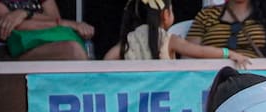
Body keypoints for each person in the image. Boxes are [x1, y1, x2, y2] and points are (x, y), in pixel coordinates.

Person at [103, 0, 250, 66]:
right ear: (166, 15)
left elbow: (107, 60)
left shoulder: (129, 40)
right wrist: (228, 53)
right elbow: (199, 51)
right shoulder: (169, 39)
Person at [0, 0, 93, 60]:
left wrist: (26, 14)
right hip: (2, 52)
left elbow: (55, 18)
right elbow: (12, 26)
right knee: (72, 50)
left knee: (78, 48)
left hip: (38, 44)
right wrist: (63, 24)